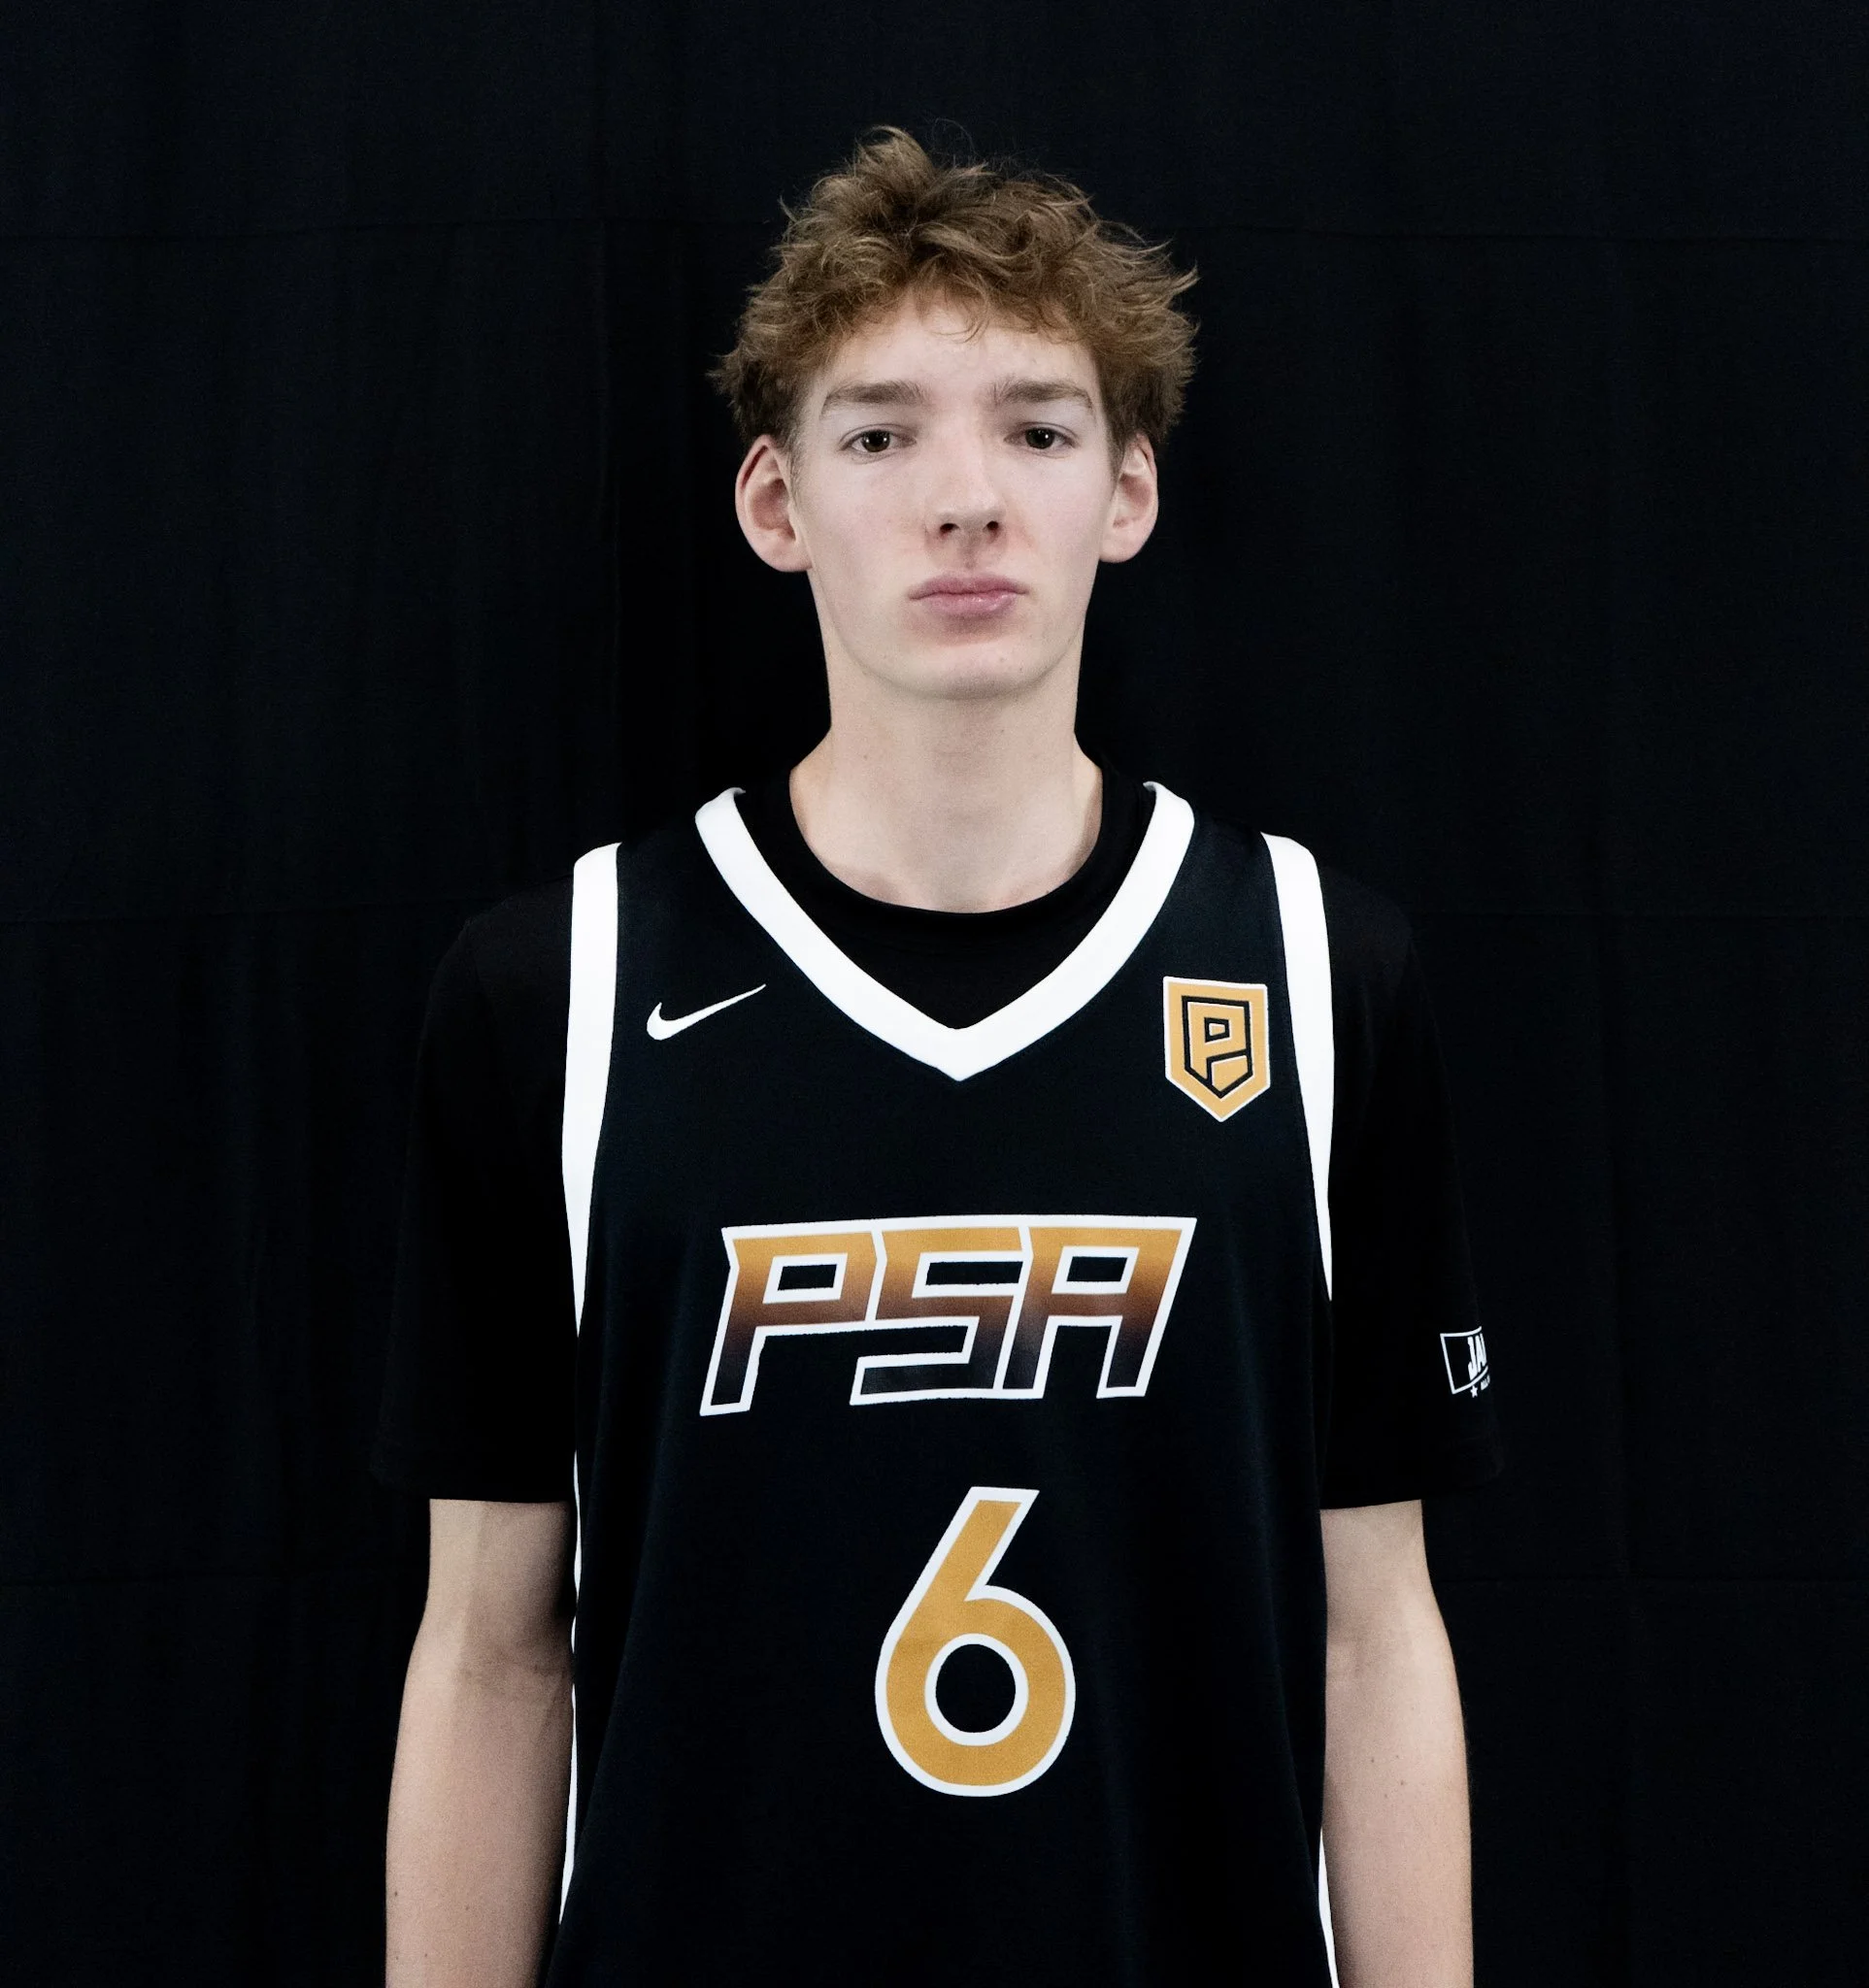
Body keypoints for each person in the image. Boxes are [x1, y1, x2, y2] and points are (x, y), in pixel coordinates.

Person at [374, 125, 1504, 1987]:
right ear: (776, 501)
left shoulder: (1318, 969)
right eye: (882, 436)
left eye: (1039, 432)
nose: (967, 501)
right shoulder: (555, 987)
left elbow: (1374, 1633)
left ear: (1127, 493)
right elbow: (492, 1649)